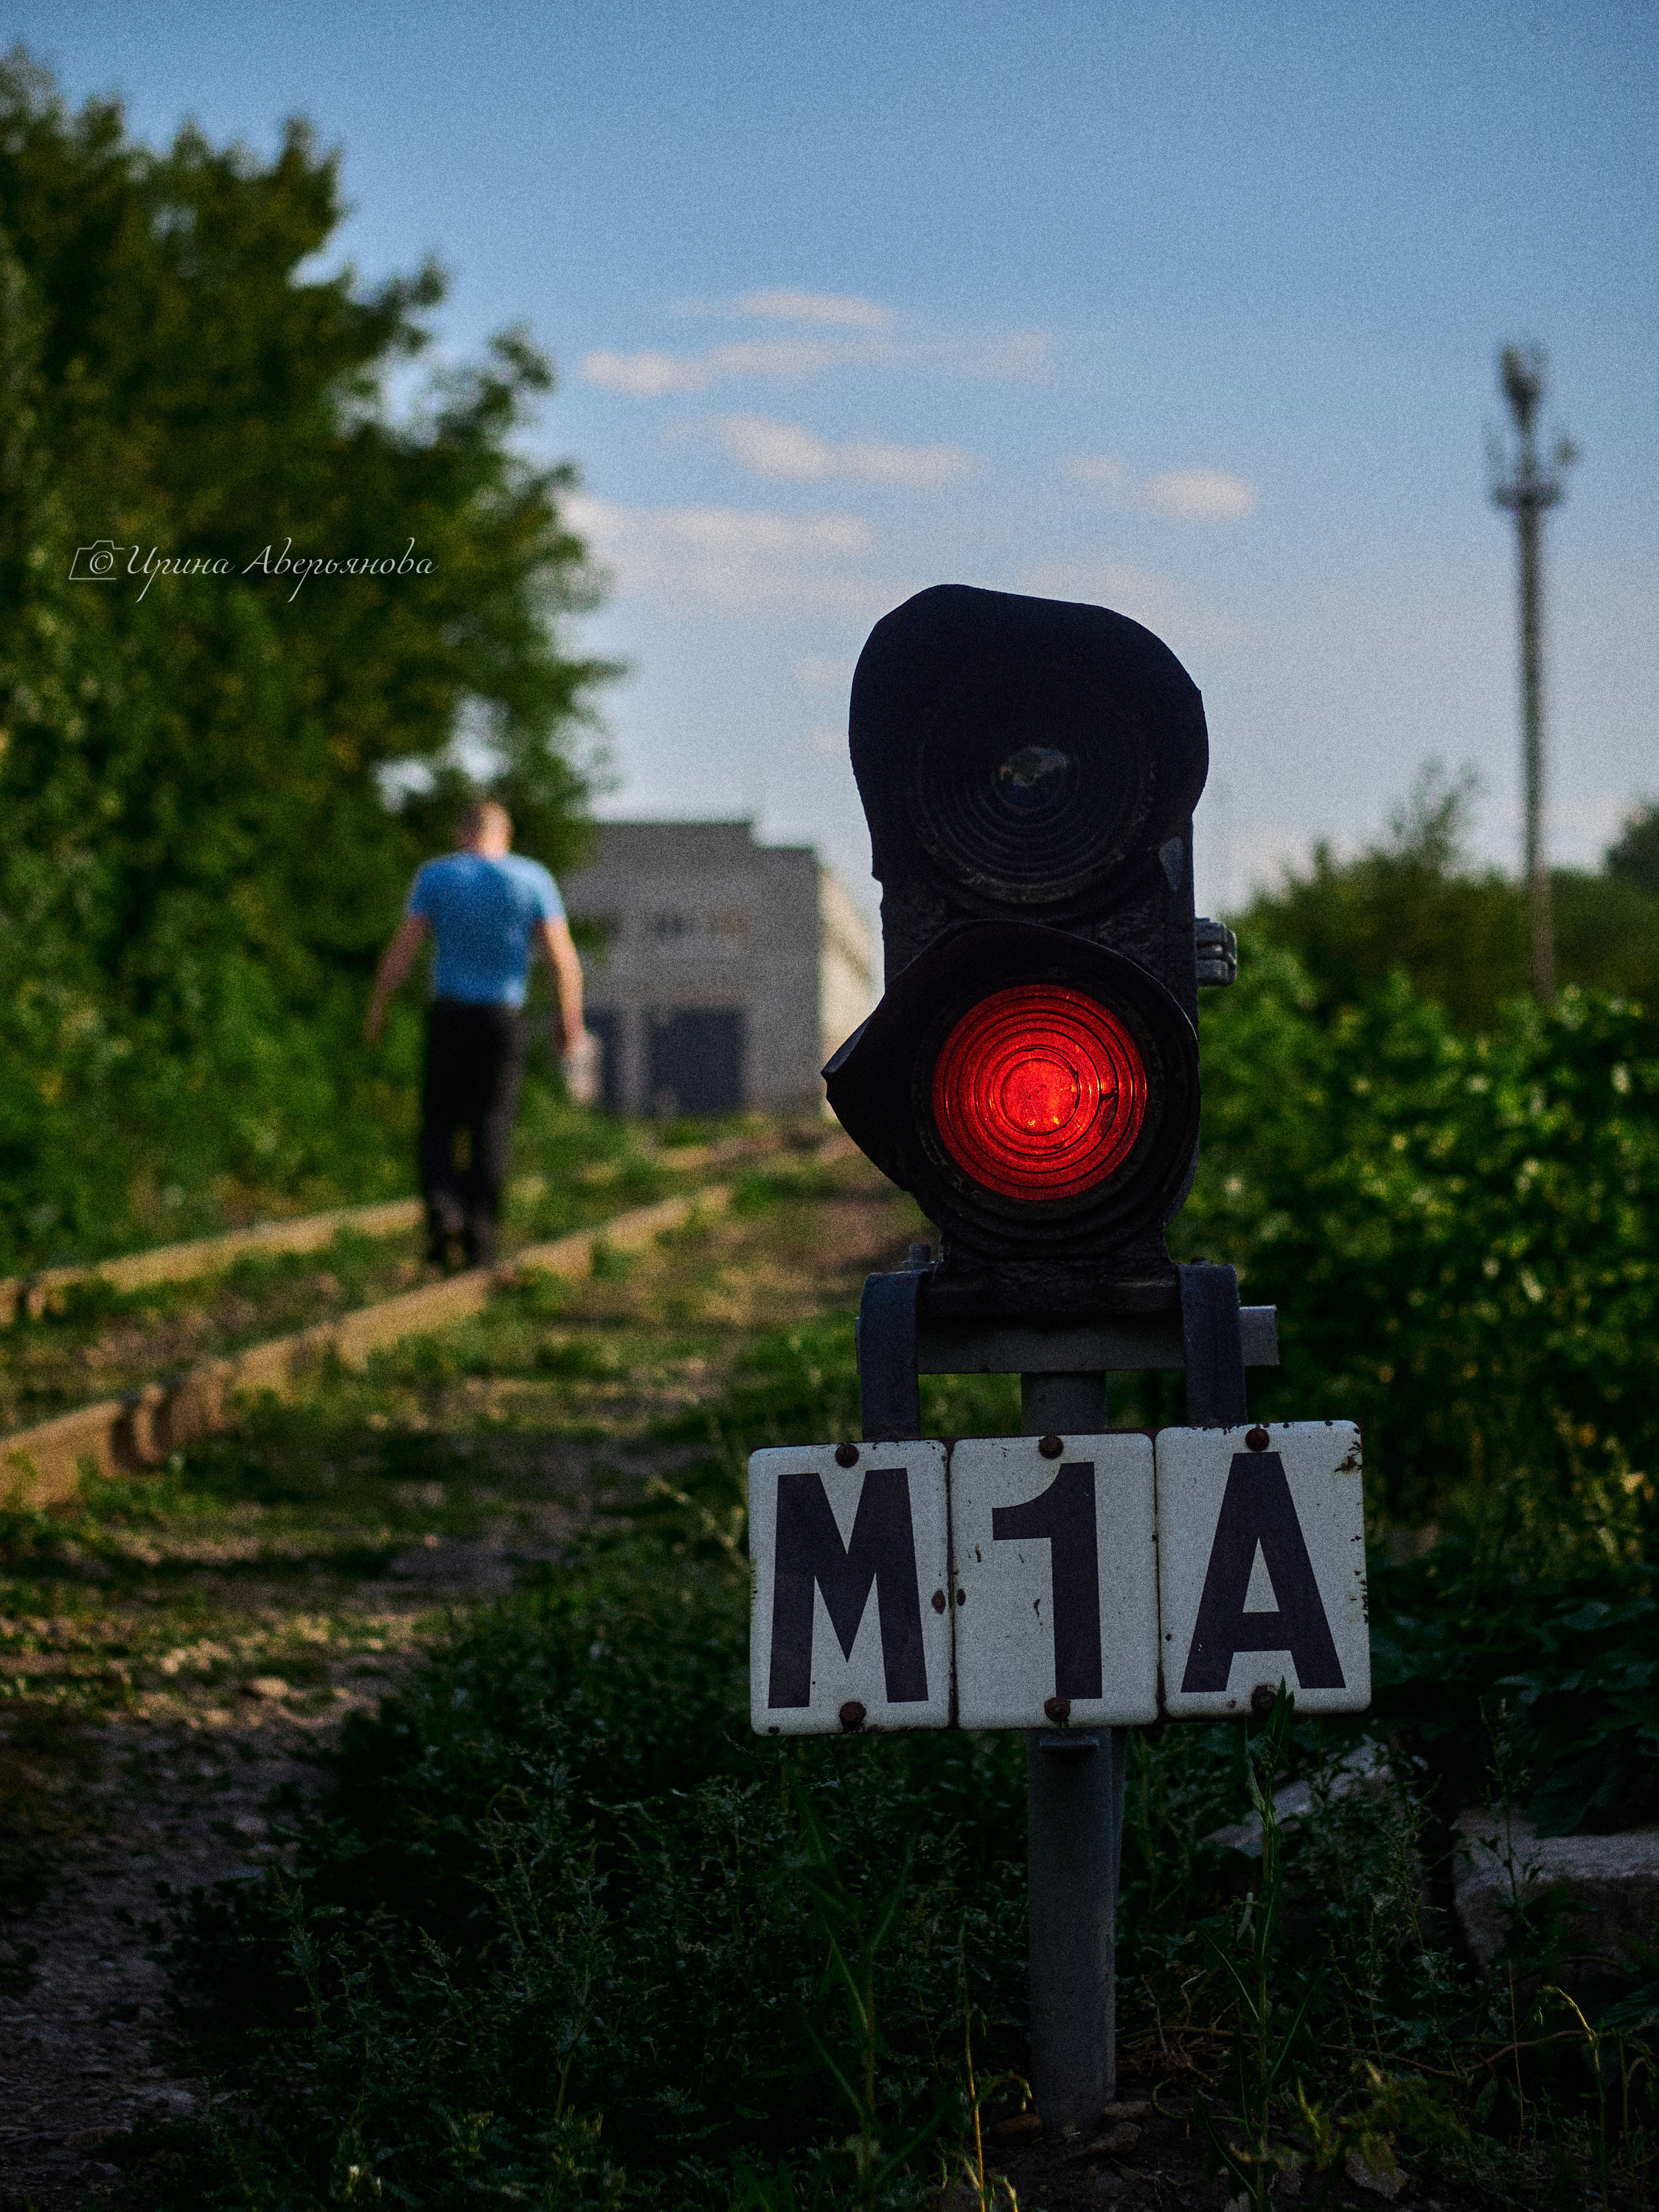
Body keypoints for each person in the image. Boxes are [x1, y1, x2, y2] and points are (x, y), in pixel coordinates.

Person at [366, 799, 588, 1269]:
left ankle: (444, 1213)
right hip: (502, 1019)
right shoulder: (532, 879)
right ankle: (479, 1239)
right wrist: (569, 1020)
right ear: (505, 835)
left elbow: (404, 947)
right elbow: (562, 957)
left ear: (461, 833)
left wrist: (379, 1003)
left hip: (449, 1014)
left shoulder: (436, 876)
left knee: (438, 1123)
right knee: (491, 1125)